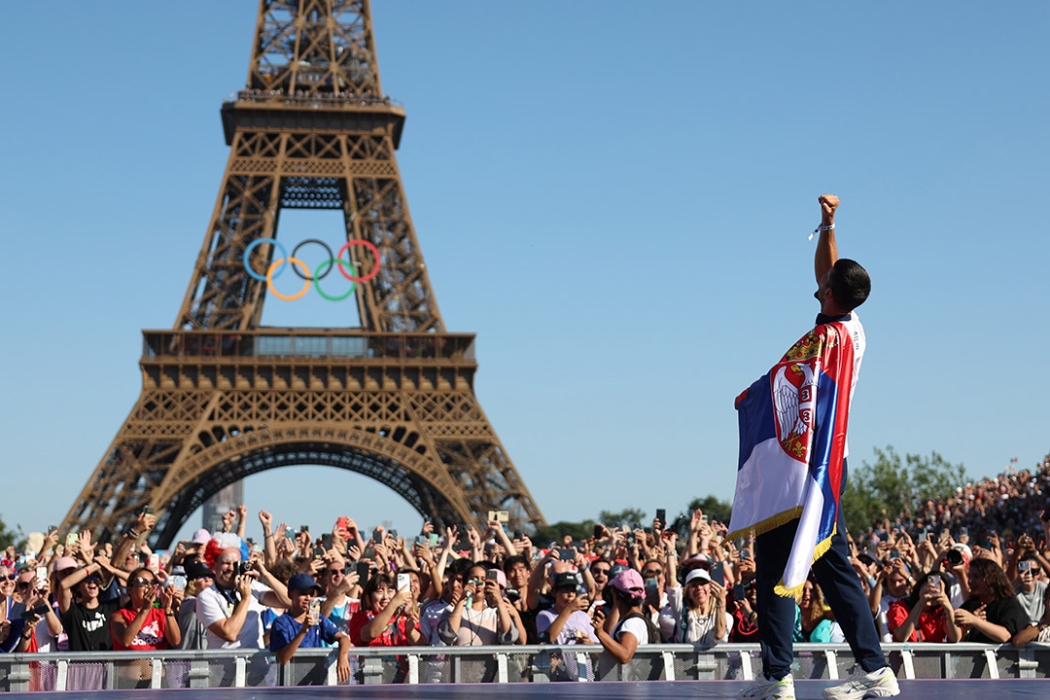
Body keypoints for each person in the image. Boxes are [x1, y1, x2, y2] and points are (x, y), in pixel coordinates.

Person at [733, 195, 898, 700]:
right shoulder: (853, 331)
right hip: (827, 464)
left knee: (782, 565)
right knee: (828, 563)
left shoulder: (829, 337)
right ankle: (872, 669)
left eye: (823, 282)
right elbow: (832, 269)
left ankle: (779, 676)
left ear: (826, 292)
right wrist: (828, 225)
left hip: (801, 465)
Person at [195, 548, 291, 649]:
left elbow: (290, 601)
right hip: (224, 663)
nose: (231, 568)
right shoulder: (207, 596)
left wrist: (264, 574)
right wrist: (245, 598)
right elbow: (229, 633)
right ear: (215, 566)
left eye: (236, 564)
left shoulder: (252, 586)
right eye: (226, 563)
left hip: (257, 663)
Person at [269, 574, 352, 684]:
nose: (308, 598)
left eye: (311, 594)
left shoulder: (317, 618)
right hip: (289, 685)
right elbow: (283, 658)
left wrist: (343, 657)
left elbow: (343, 638)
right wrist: (304, 630)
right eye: (303, 593)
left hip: (315, 683)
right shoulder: (281, 623)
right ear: (290, 594)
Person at [953, 558, 1031, 644]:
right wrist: (967, 627)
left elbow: (1004, 636)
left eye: (976, 577)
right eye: (969, 576)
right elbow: (955, 638)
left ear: (991, 579)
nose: (970, 581)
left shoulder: (1009, 605)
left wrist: (974, 621)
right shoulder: (970, 605)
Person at [593, 568, 653, 680]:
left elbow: (625, 655)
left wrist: (600, 633)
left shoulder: (632, 623)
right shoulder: (631, 620)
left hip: (626, 690)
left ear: (616, 595)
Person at [660, 568, 731, 645]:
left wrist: (721, 600)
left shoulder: (726, 617)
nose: (699, 588)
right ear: (688, 593)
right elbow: (672, 583)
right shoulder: (683, 614)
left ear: (711, 589)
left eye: (703, 583)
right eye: (694, 585)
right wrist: (670, 555)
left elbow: (719, 635)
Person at [886, 572, 961, 643]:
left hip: (933, 656)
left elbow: (955, 638)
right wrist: (921, 603)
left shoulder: (941, 611)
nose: (932, 591)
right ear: (920, 586)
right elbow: (902, 637)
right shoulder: (899, 608)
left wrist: (949, 609)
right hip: (905, 655)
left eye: (937, 589)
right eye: (929, 587)